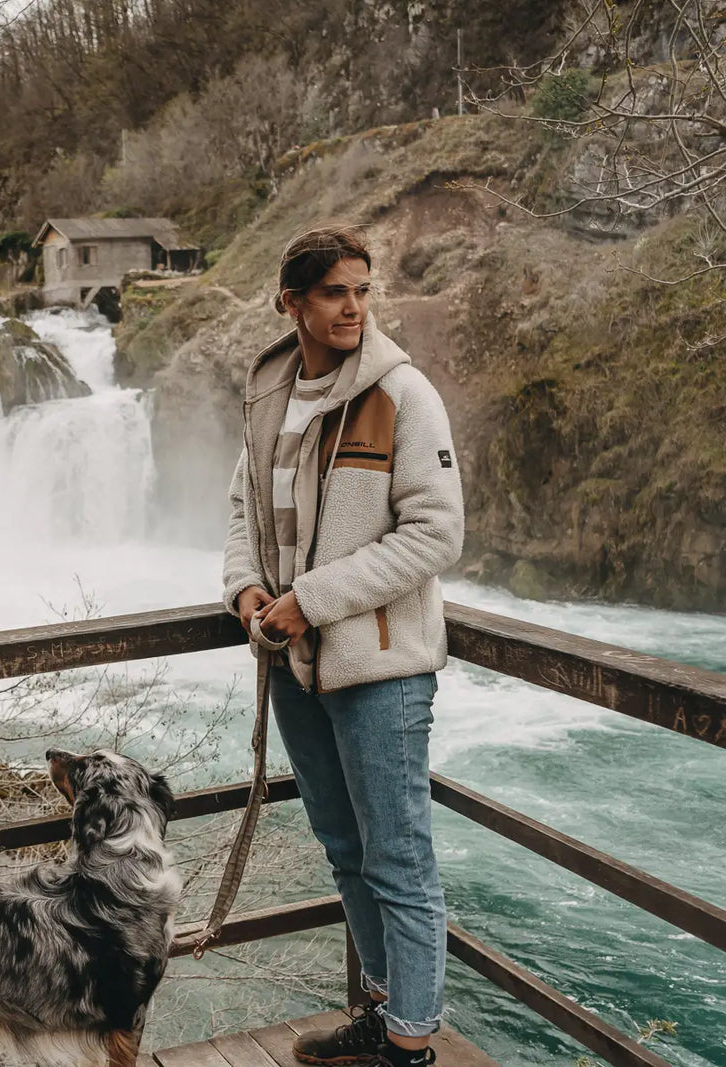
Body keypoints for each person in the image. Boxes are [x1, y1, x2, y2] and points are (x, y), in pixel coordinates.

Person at [221, 224, 465, 1066]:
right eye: (336, 292)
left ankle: (410, 1045)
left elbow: (436, 537)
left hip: (381, 671)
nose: (354, 306)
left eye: (363, 290)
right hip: (295, 666)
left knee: (398, 858)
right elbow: (243, 510)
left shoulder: (403, 393)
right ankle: (386, 1008)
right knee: (343, 845)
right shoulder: (268, 394)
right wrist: (246, 588)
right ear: (293, 303)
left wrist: (310, 601)